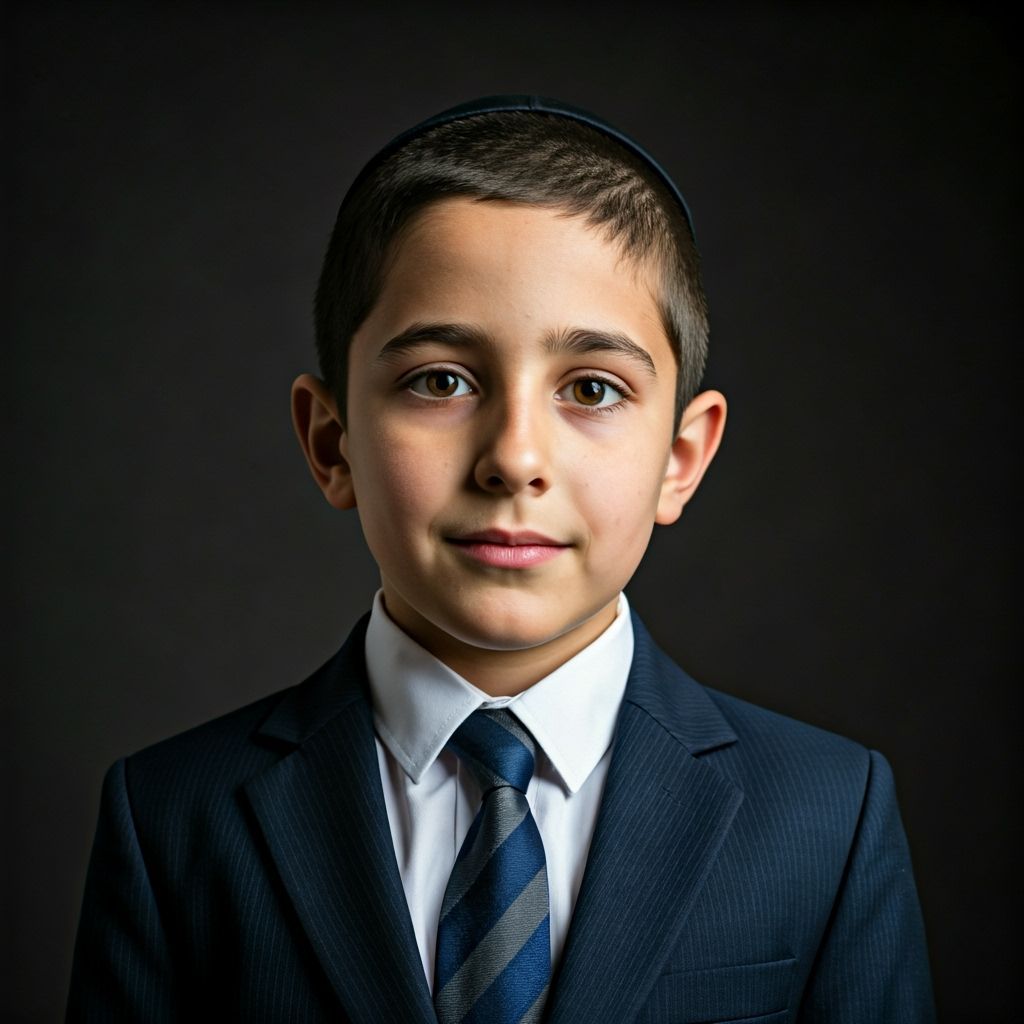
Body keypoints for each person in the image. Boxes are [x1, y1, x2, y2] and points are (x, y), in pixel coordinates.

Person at [67, 96, 935, 1023]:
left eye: (592, 389)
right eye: (440, 380)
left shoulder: (825, 816)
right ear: (332, 443)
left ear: (680, 461)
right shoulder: (172, 819)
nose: (514, 458)